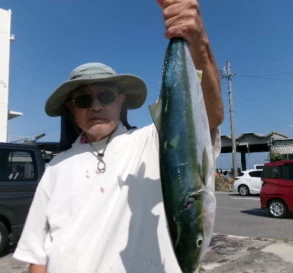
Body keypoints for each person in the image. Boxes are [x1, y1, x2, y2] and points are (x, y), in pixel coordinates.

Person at [13, 0, 224, 272]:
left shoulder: (152, 142)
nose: (97, 105)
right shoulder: (55, 168)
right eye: (84, 99)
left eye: (106, 95)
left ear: (121, 101)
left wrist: (199, 42)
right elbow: (37, 255)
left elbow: (209, 116)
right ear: (72, 110)